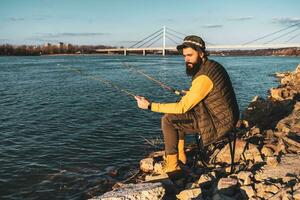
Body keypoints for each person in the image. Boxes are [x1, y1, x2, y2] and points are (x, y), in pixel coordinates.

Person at [135, 35, 239, 175]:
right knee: (178, 116)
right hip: (226, 114)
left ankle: (172, 165)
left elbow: (182, 107)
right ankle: (181, 156)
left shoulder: (203, 77)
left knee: (168, 120)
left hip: (219, 121)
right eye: (184, 56)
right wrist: (191, 94)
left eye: (190, 55)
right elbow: (212, 92)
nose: (186, 59)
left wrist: (150, 105)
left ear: (201, 53)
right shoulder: (212, 65)